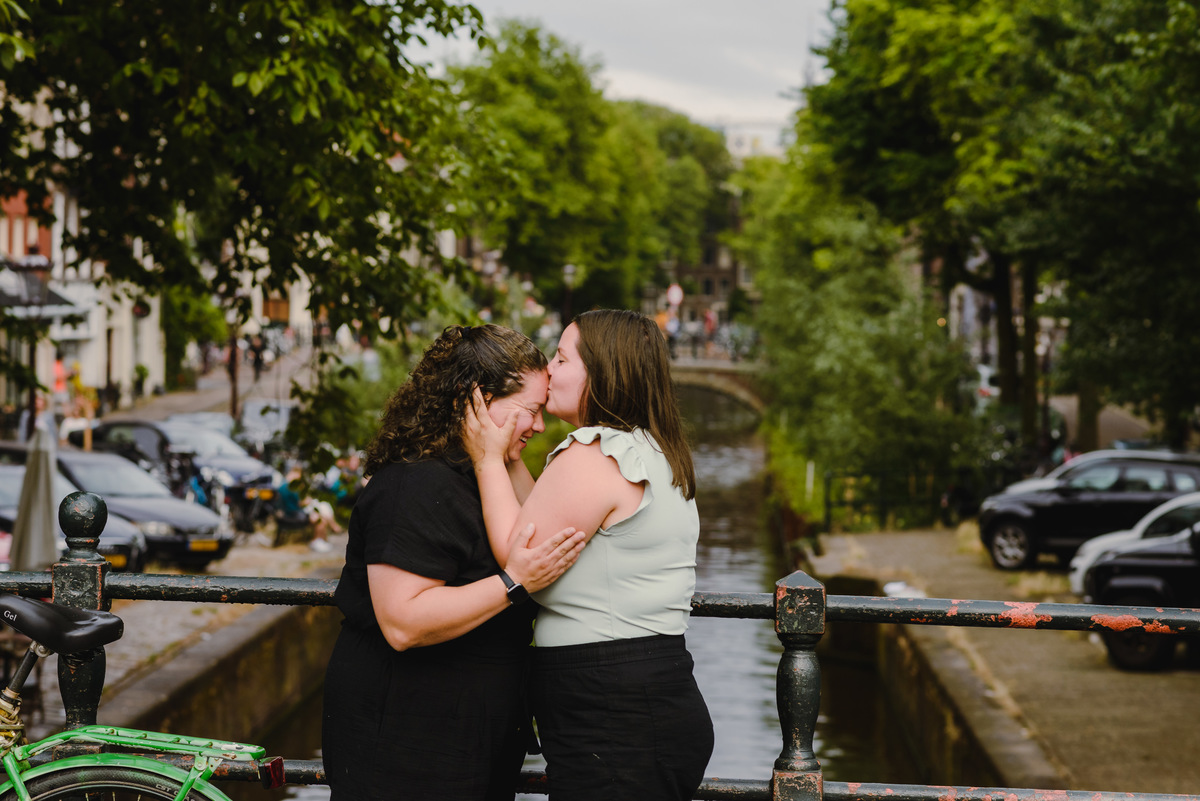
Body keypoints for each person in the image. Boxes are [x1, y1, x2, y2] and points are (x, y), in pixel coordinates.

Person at [321, 324, 587, 801]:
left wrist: (500, 453)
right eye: (531, 410)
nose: (541, 426)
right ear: (478, 401)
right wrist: (513, 583)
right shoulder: (415, 485)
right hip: (407, 740)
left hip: (466, 737)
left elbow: (530, 531)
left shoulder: (482, 479)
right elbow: (403, 622)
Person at [463, 309, 713, 801]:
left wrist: (487, 459)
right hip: (638, 700)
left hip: (614, 713)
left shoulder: (595, 452)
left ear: (603, 372)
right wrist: (511, 459)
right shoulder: (647, 450)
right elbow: (549, 520)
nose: (549, 370)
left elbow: (519, 555)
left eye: (561, 357)